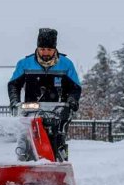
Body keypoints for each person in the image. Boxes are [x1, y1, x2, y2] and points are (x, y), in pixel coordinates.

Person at [7, 28, 82, 158]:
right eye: (42, 49)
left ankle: (59, 160)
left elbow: (75, 87)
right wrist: (15, 101)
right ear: (37, 48)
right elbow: (13, 84)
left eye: (49, 49)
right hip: (31, 109)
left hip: (58, 110)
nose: (45, 52)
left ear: (55, 49)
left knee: (57, 140)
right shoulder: (25, 64)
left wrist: (72, 101)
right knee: (25, 139)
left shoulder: (66, 64)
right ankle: (22, 160)